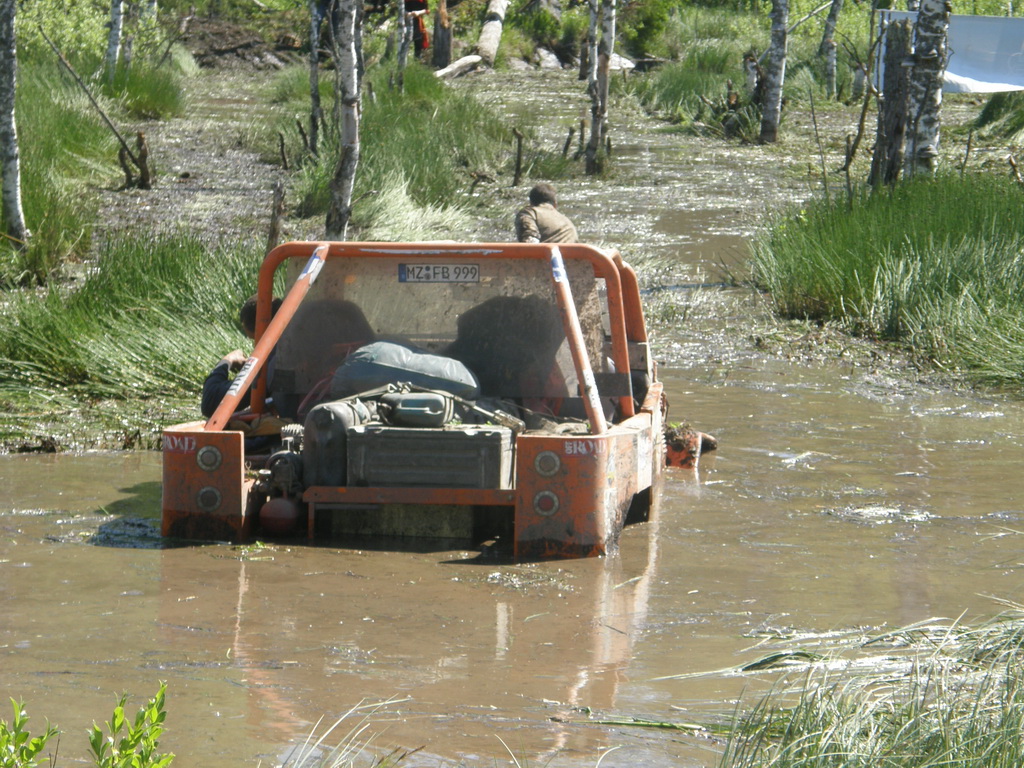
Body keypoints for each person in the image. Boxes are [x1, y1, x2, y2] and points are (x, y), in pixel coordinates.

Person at [201, 295, 282, 418]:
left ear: (263, 329)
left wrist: (227, 361)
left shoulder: (276, 361)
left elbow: (211, 401)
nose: (255, 346)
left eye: (255, 340)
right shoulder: (299, 343)